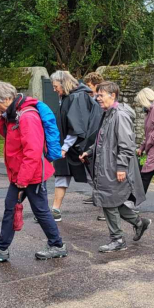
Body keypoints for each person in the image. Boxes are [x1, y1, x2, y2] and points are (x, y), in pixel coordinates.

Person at [0, 82, 66, 262]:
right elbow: (10, 137)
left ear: (8, 99)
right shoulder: (14, 113)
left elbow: (32, 151)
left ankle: (57, 245)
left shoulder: (27, 116)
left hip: (30, 174)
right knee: (11, 208)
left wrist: (23, 180)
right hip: (21, 174)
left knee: (40, 211)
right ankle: (1, 248)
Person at [80, 81, 151, 251]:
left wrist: (121, 167)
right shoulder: (109, 113)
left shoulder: (119, 115)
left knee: (108, 200)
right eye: (97, 95)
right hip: (106, 165)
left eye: (100, 95)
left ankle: (117, 239)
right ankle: (139, 222)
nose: (97, 98)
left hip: (112, 167)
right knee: (111, 200)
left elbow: (126, 145)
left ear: (112, 95)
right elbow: (103, 139)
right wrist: (90, 151)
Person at [49, 70, 102, 222]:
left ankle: (114, 208)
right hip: (69, 146)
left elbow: (77, 126)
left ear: (64, 83)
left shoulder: (78, 97)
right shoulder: (68, 97)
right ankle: (55, 210)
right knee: (61, 174)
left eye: (55, 86)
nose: (54, 89)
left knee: (94, 178)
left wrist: (65, 147)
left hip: (79, 146)